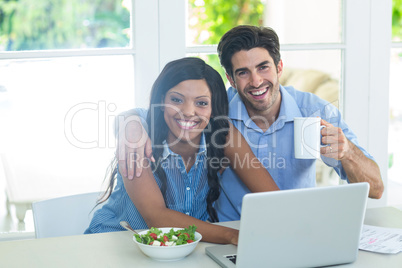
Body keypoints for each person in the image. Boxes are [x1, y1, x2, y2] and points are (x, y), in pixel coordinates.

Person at [117, 26, 384, 222]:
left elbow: (376, 189)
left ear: (279, 66)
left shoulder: (315, 112)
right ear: (230, 79)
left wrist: (347, 151)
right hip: (230, 230)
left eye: (263, 67)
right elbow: (161, 111)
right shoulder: (217, 113)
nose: (256, 82)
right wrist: (130, 123)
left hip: (291, 224)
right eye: (243, 72)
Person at [85, 57, 279, 244]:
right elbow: (157, 217)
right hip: (116, 244)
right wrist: (232, 236)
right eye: (176, 100)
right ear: (162, 101)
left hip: (186, 249)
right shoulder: (138, 141)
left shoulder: (223, 135)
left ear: (213, 108)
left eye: (202, 103)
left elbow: (272, 197)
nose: (187, 111)